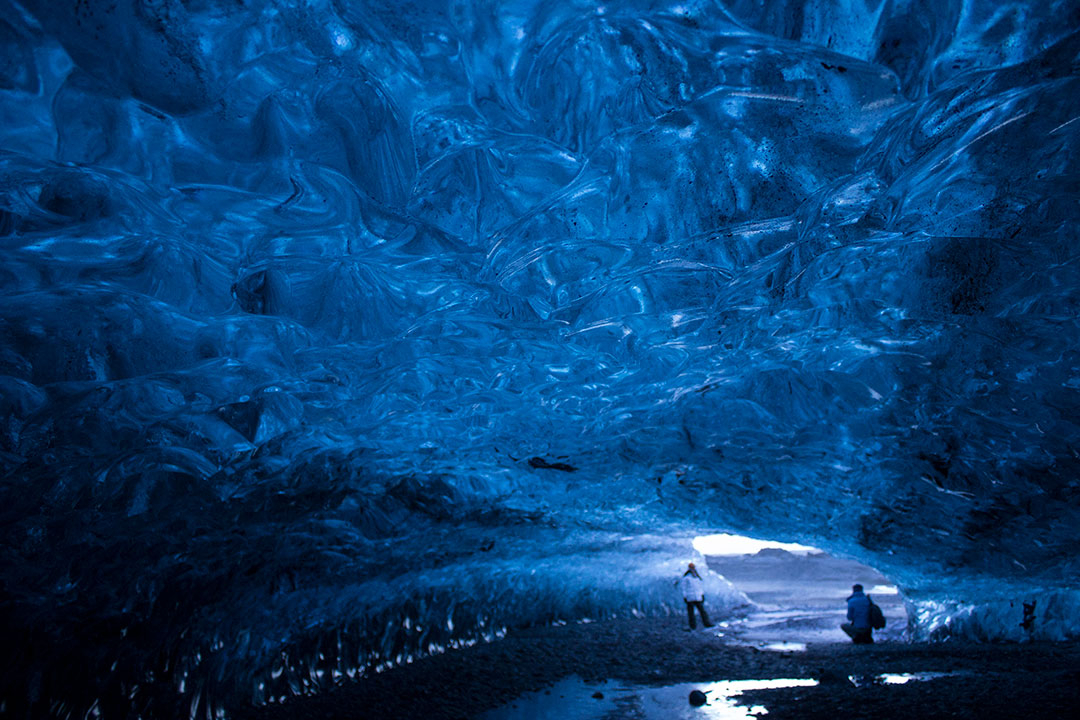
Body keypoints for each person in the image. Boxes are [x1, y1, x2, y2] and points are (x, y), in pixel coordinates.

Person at [678, 562, 713, 630]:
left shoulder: (696, 578)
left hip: (697, 597)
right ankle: (693, 626)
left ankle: (706, 623)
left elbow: (699, 587)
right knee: (691, 613)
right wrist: (685, 596)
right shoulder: (687, 578)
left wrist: (701, 594)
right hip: (690, 597)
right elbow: (684, 588)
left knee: (702, 611)